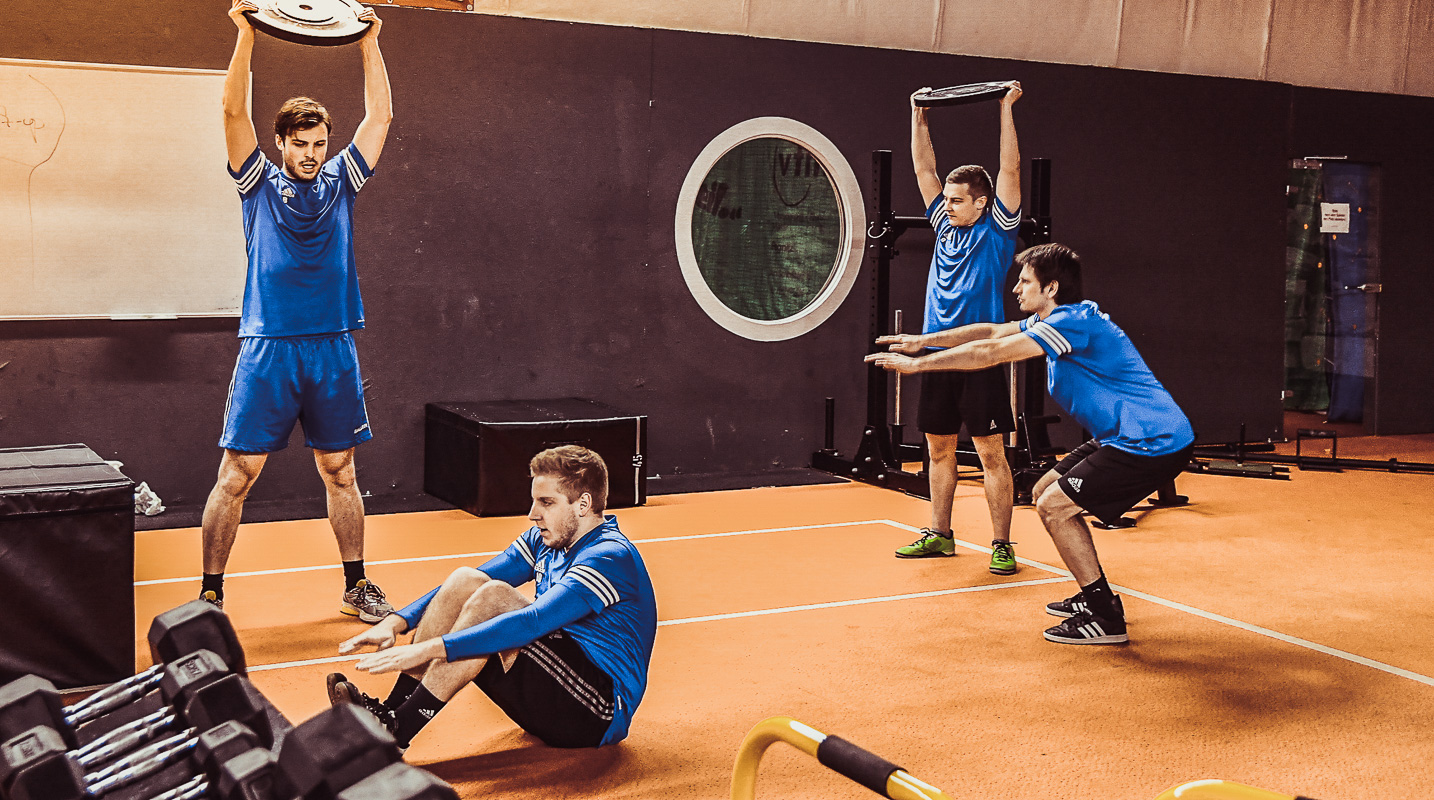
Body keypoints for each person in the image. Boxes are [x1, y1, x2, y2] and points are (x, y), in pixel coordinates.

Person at [867, 243, 1195, 644]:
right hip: (1121, 436)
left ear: (1051, 287)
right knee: (1044, 491)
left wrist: (919, 366)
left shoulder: (1072, 323)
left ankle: (1105, 615)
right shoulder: (1057, 318)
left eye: (1025, 282)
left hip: (1150, 440)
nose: (1016, 289)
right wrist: (926, 341)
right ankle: (1095, 596)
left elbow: (991, 351)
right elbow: (989, 331)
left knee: (1054, 507)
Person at [201, 0, 395, 622]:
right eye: (301, 144)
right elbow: (233, 110)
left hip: (332, 343)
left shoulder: (340, 181)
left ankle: (356, 585)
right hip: (269, 346)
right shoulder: (256, 181)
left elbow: (381, 116)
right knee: (238, 473)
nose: (312, 153)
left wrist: (369, 39)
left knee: (341, 470)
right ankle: (210, 594)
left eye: (319, 144)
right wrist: (246, 34)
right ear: (280, 142)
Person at [326, 446, 659, 751]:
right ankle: (390, 715)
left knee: (494, 598)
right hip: (554, 685)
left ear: (583, 505)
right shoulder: (546, 540)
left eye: (546, 502)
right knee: (466, 579)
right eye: (534, 501)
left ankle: (398, 731)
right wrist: (397, 622)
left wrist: (425, 648)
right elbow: (468, 583)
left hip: (595, 712)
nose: (533, 514)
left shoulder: (609, 555)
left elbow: (534, 621)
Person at [896, 81, 1023, 575]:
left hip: (979, 357)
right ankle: (940, 533)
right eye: (945, 199)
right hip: (935, 355)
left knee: (991, 453)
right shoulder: (944, 227)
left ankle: (1001, 543)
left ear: (982, 202)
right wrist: (919, 113)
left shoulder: (998, 232)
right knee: (938, 446)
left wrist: (1005, 109)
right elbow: (923, 167)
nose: (945, 205)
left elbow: (1009, 168)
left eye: (956, 200)